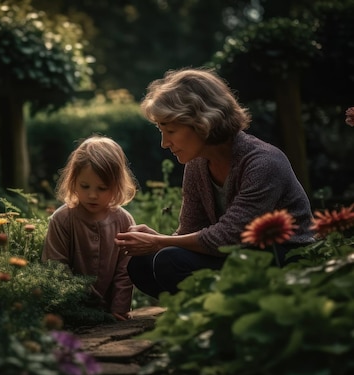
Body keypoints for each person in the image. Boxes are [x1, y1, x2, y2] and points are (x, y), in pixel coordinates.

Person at [114, 67, 315, 299]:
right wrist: (156, 239)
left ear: (202, 122)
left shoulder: (263, 162)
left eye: (169, 130)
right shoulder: (197, 164)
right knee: (142, 264)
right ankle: (208, 308)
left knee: (168, 260)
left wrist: (158, 242)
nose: (164, 143)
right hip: (234, 256)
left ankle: (221, 311)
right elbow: (191, 230)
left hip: (282, 258)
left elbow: (230, 236)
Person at [42, 135, 138, 320]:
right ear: (73, 181)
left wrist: (120, 307)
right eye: (84, 186)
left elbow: (125, 271)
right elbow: (55, 265)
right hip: (70, 312)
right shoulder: (62, 219)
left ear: (117, 186)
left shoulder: (124, 221)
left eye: (102, 188)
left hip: (110, 313)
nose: (92, 195)